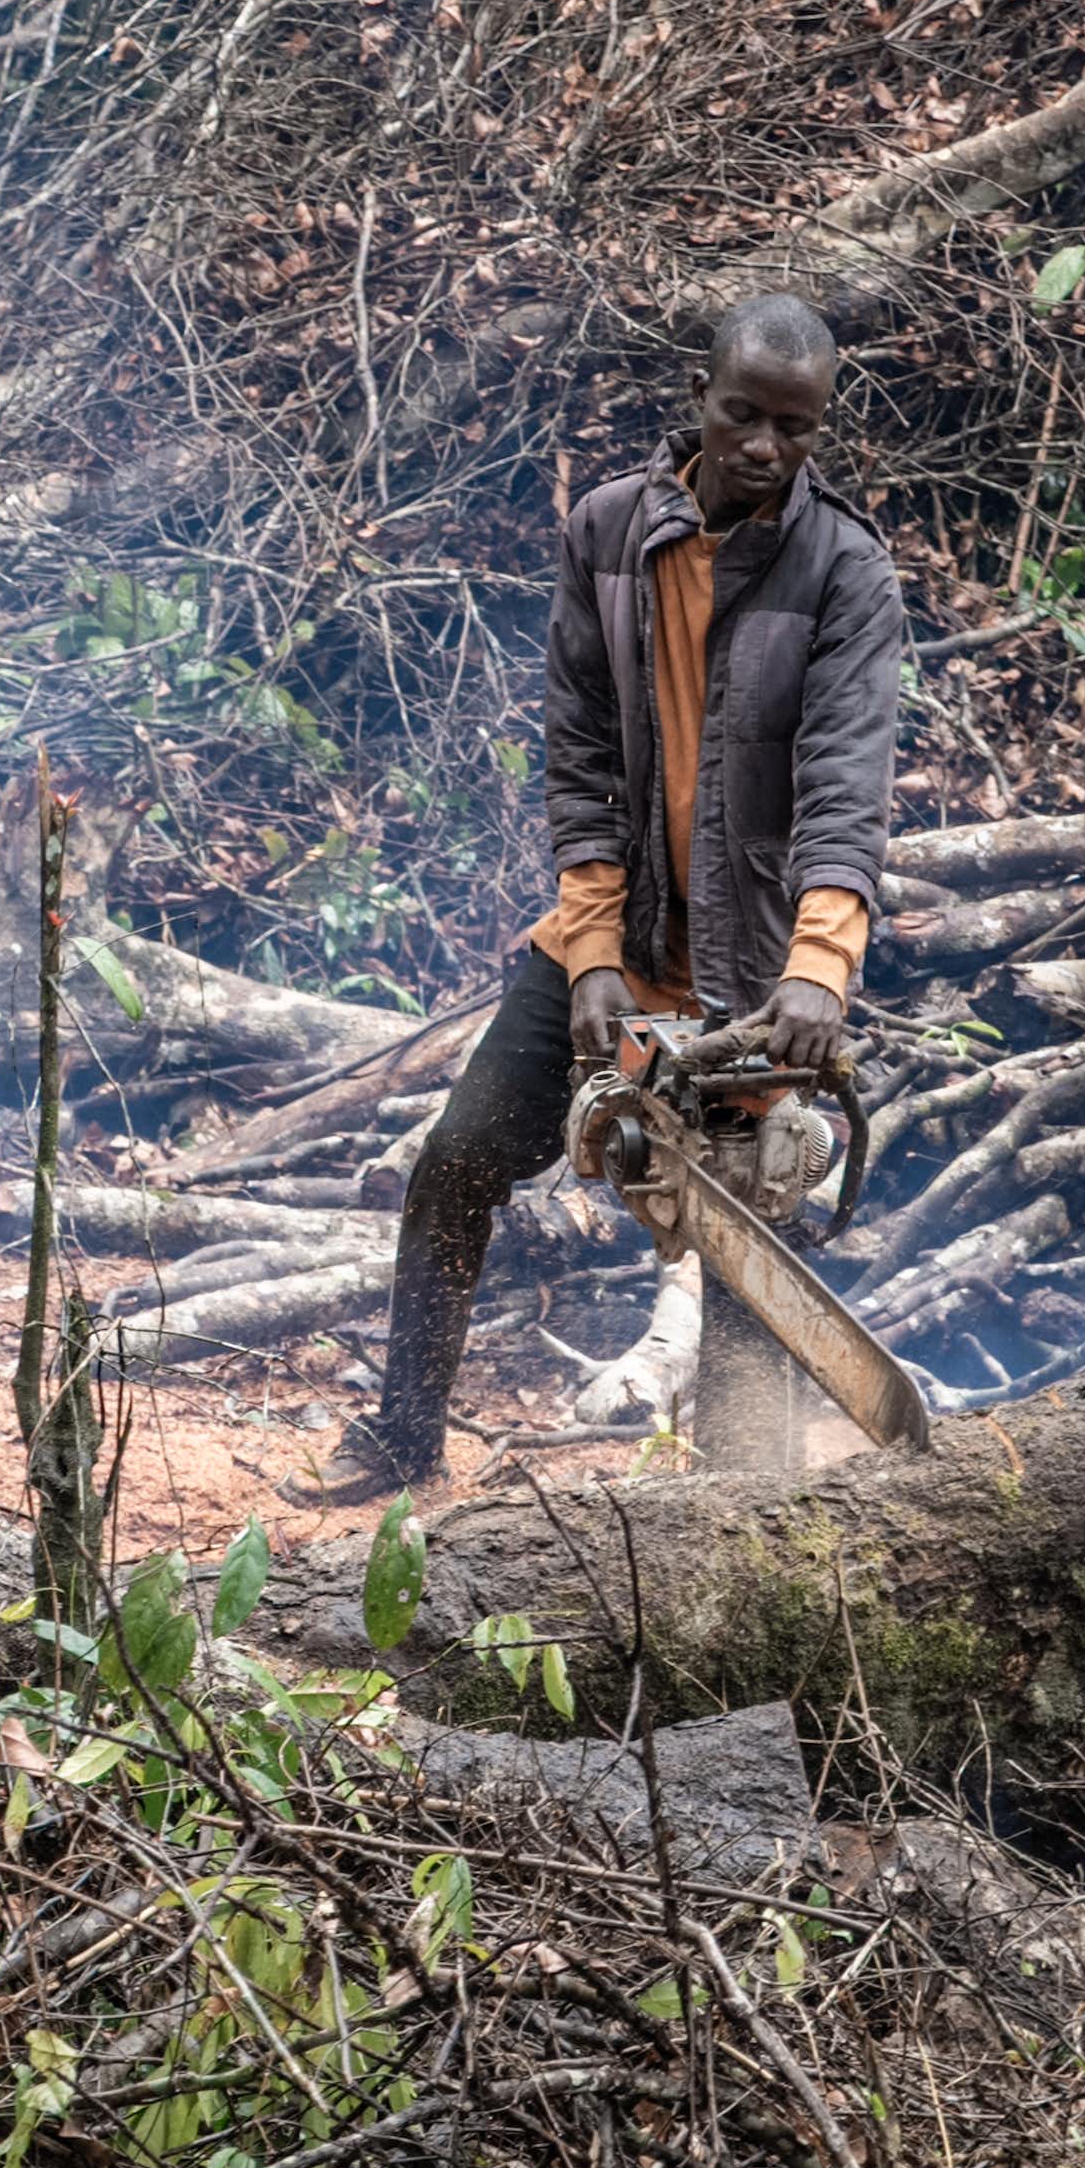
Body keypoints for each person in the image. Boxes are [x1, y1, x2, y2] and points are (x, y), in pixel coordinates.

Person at [295, 291, 905, 1503]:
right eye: (743, 414)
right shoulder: (610, 533)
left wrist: (818, 969)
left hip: (755, 974)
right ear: (701, 395)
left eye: (795, 426)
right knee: (460, 1159)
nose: (763, 448)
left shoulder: (846, 572)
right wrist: (586, 954)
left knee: (743, 1255)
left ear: (819, 428)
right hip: (616, 937)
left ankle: (744, 1519)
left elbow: (846, 786)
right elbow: (576, 753)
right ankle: (403, 1436)